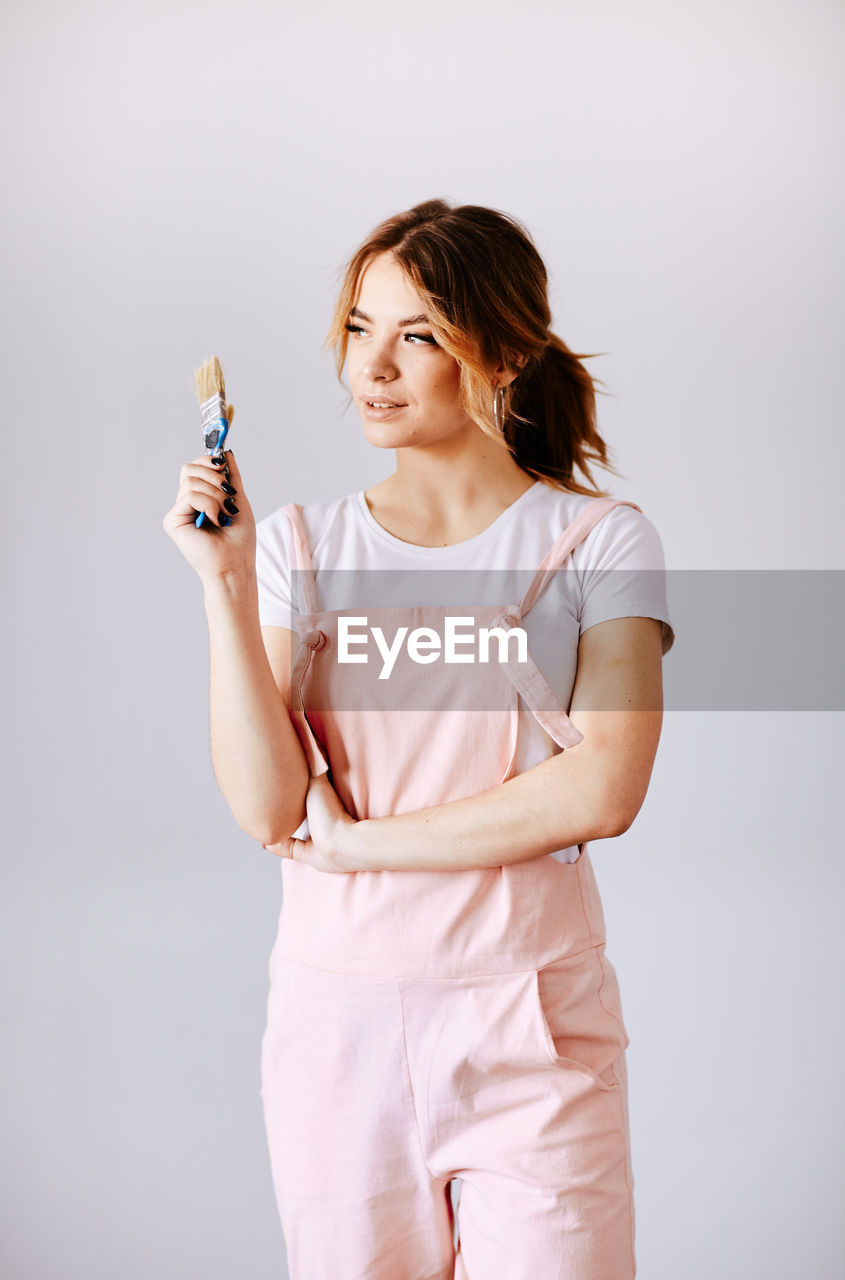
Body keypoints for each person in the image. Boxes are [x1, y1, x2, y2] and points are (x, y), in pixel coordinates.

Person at [163, 199, 674, 1280]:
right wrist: (222, 581)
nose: (372, 367)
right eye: (359, 328)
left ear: (503, 351)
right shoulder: (298, 545)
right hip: (338, 1020)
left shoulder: (598, 541)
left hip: (531, 1019)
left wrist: (358, 846)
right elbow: (265, 806)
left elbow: (603, 788)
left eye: (418, 334)